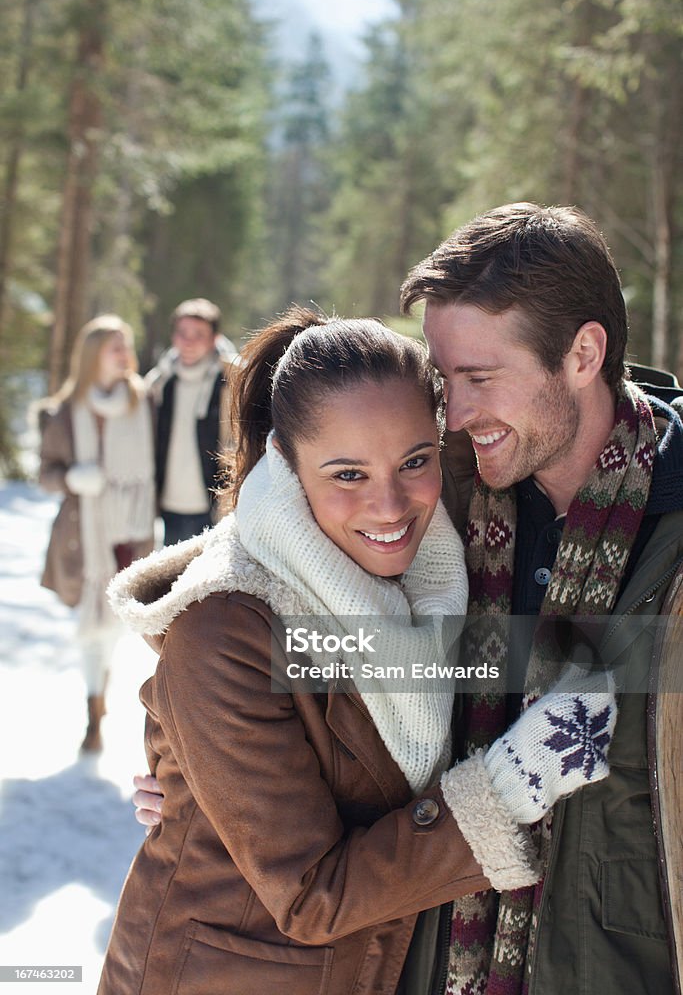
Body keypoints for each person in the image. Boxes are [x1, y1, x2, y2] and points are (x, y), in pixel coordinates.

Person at [99, 308, 615, 995]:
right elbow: (312, 894)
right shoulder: (227, 628)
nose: (390, 505)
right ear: (285, 464)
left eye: (414, 461)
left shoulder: (433, 573)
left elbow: (550, 405)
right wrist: (511, 782)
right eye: (347, 475)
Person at [399, 202, 683, 995]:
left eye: (480, 379)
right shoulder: (433, 501)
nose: (455, 415)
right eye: (444, 379)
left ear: (582, 353)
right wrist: (204, 739)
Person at [38, 315, 156, 752]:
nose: (125, 352)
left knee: (112, 629)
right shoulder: (67, 412)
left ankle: (99, 695)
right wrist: (72, 478)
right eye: (115, 345)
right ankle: (95, 708)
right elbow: (45, 474)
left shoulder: (145, 402)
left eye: (127, 343)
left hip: (131, 534)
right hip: (84, 537)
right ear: (93, 356)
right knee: (94, 628)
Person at [145, 297, 239, 545]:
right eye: (182, 332)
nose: (188, 342)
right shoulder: (158, 383)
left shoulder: (234, 382)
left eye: (198, 334)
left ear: (215, 339)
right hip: (168, 505)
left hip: (216, 508)